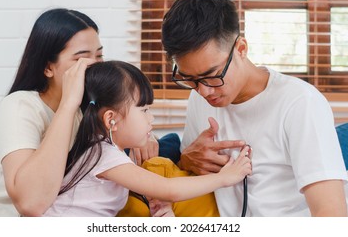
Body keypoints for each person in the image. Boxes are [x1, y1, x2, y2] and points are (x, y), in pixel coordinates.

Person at [161, 0, 348, 217]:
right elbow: (189, 171)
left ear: (241, 49)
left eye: (212, 75)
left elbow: (331, 213)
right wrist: (187, 160)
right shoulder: (199, 99)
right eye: (189, 79)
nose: (204, 91)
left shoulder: (299, 102)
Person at [43, 60, 252, 217]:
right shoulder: (103, 154)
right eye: (144, 110)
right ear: (111, 119)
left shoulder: (102, 151)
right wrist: (225, 178)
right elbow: (169, 189)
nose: (150, 118)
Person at [0, 8, 105, 216]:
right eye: (81, 58)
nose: (94, 66)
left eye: (99, 55)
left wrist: (143, 138)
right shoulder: (19, 106)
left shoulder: (83, 112)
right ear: (48, 68)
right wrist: (68, 105)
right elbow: (31, 203)